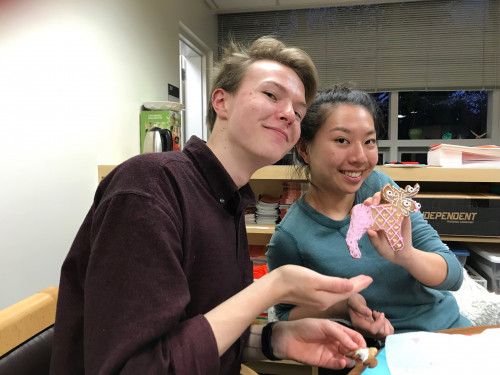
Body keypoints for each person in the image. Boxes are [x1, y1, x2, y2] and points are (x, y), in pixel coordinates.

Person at [50, 38, 376, 375]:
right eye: (271, 95)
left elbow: (194, 330)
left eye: (299, 109)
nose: (289, 114)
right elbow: (140, 367)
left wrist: (275, 339)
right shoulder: (149, 187)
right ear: (221, 101)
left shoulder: (228, 200)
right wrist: (273, 286)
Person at [266, 84, 471, 338]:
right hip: (376, 352)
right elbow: (285, 315)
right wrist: (344, 307)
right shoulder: (291, 237)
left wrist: (406, 254)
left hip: (448, 332)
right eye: (342, 140)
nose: (360, 157)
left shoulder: (382, 188)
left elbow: (453, 276)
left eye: (369, 141)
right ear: (304, 149)